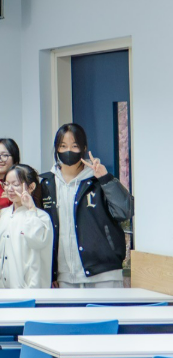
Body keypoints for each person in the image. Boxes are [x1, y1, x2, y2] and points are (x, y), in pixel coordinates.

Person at [41, 123, 132, 290]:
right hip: (65, 275)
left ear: (83, 148)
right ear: (56, 149)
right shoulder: (46, 184)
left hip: (104, 272)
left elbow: (124, 211)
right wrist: (51, 272)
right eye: (63, 146)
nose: (68, 151)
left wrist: (105, 178)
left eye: (74, 146)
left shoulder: (98, 180)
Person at [0, 164, 53, 289]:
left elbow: (37, 241)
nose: (9, 189)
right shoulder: (2, 214)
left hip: (28, 290)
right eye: (6, 184)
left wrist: (31, 209)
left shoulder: (41, 217)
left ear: (31, 187)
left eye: (15, 184)